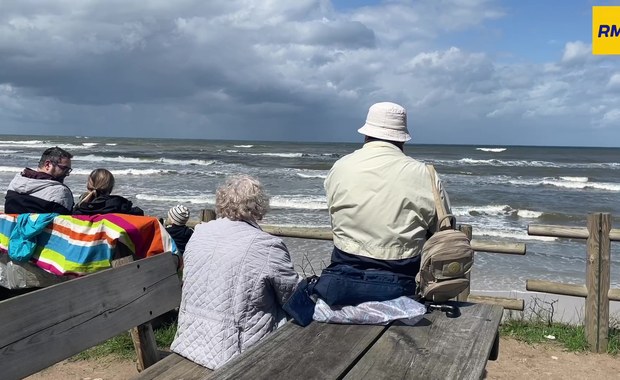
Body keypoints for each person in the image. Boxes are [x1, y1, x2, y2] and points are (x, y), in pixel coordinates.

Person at [318, 101, 453, 305]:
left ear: (366, 134)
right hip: (401, 278)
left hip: (343, 273)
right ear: (403, 139)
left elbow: (334, 212)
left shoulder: (340, 167)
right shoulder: (425, 174)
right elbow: (442, 229)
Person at [171, 175, 300, 369]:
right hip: (236, 352)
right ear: (259, 206)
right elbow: (291, 296)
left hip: (190, 340)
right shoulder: (267, 245)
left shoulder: (199, 233)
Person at [4, 146, 74, 214]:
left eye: (68, 170)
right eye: (64, 169)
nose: (67, 174)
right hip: (40, 226)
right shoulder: (60, 191)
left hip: (11, 225)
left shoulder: (16, 181)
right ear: (48, 165)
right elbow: (64, 221)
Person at [73, 169, 144, 216]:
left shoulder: (81, 207)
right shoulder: (118, 205)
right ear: (110, 187)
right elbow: (139, 213)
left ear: (88, 185)